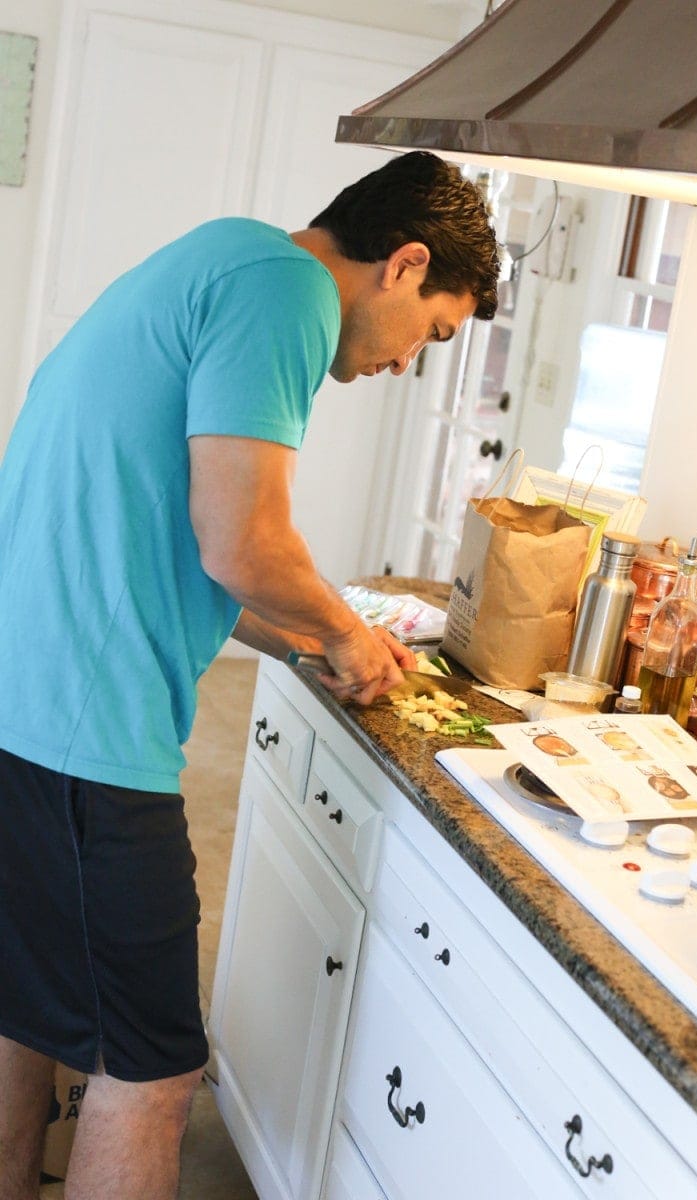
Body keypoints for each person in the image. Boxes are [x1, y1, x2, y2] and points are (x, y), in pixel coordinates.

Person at [0, 150, 499, 1199]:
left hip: (25, 692)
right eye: (435, 331)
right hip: (83, 734)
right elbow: (243, 541)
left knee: (24, 1008)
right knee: (152, 1068)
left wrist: (315, 637)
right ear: (403, 265)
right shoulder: (287, 294)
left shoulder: (223, 255)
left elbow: (185, 549)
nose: (411, 363)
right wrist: (349, 635)